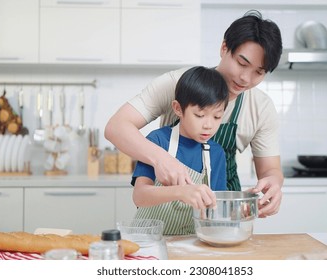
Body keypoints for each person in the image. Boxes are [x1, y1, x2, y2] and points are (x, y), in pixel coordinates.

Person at [105, 10, 284, 218]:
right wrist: (162, 160)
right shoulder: (177, 84)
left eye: (258, 72)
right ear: (224, 47)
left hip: (219, 215)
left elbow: (271, 170)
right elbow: (116, 127)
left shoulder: (261, 107)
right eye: (242, 64)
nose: (245, 78)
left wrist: (274, 184)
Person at [131, 66, 229, 235]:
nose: (209, 125)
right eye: (199, 115)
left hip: (190, 241)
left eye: (217, 117)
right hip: (149, 240)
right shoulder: (158, 141)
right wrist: (180, 192)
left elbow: (218, 205)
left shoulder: (216, 153)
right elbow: (139, 196)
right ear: (178, 109)